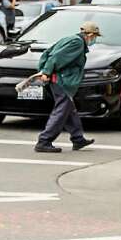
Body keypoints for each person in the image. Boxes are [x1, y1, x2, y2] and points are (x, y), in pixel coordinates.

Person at [33, 20, 101, 153]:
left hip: (60, 80)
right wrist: (46, 71)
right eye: (95, 37)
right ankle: (44, 141)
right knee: (61, 111)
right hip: (63, 82)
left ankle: (78, 139)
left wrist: (45, 69)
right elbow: (56, 57)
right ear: (90, 34)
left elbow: (49, 52)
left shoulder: (70, 39)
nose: (94, 40)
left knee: (69, 110)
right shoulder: (77, 43)